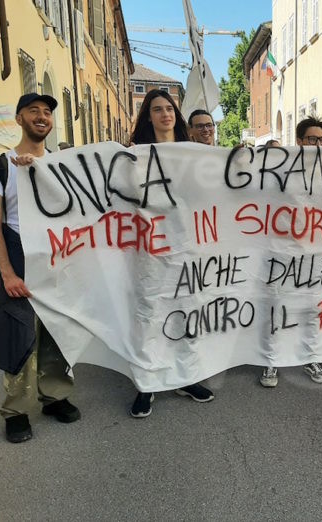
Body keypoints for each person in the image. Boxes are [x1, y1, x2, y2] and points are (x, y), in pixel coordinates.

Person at [0, 93, 80, 443]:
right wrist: (7, 273)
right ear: (19, 119)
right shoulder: (3, 165)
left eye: (47, 112)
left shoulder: (63, 165)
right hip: (18, 255)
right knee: (19, 334)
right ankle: (16, 410)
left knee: (56, 331)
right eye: (34, 111)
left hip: (57, 258)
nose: (42, 116)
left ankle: (55, 395)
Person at [128, 89, 215, 416]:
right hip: (151, 249)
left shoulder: (193, 154)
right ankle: (146, 383)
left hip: (188, 246)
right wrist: (32, 165)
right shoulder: (134, 155)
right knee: (150, 314)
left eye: (169, 108)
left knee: (187, 311)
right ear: (148, 116)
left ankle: (185, 377)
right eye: (157, 109)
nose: (165, 114)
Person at [259, 116, 322, 388]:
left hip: (314, 254)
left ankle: (311, 357)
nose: (318, 145)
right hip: (281, 252)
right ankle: (272, 360)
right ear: (299, 141)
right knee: (276, 308)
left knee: (312, 310)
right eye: (312, 139)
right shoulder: (280, 169)